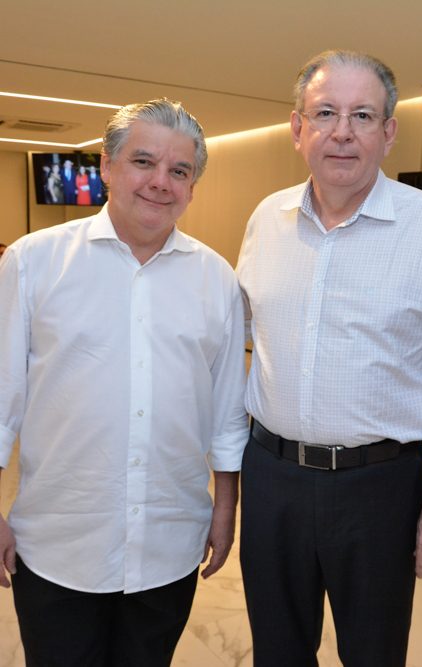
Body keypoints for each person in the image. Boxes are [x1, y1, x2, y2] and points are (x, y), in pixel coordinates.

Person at [236, 50, 422, 667]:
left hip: (381, 487)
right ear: (298, 129)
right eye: (325, 113)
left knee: (373, 654)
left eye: (362, 115)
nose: (342, 131)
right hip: (272, 477)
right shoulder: (267, 219)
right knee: (277, 650)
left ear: (388, 132)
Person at [0, 98, 249, 667]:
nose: (161, 182)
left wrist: (225, 506)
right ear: (107, 166)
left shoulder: (217, 279)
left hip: (169, 542)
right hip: (60, 543)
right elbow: (2, 396)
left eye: (179, 171)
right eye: (143, 162)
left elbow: (227, 411)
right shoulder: (34, 262)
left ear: (192, 186)